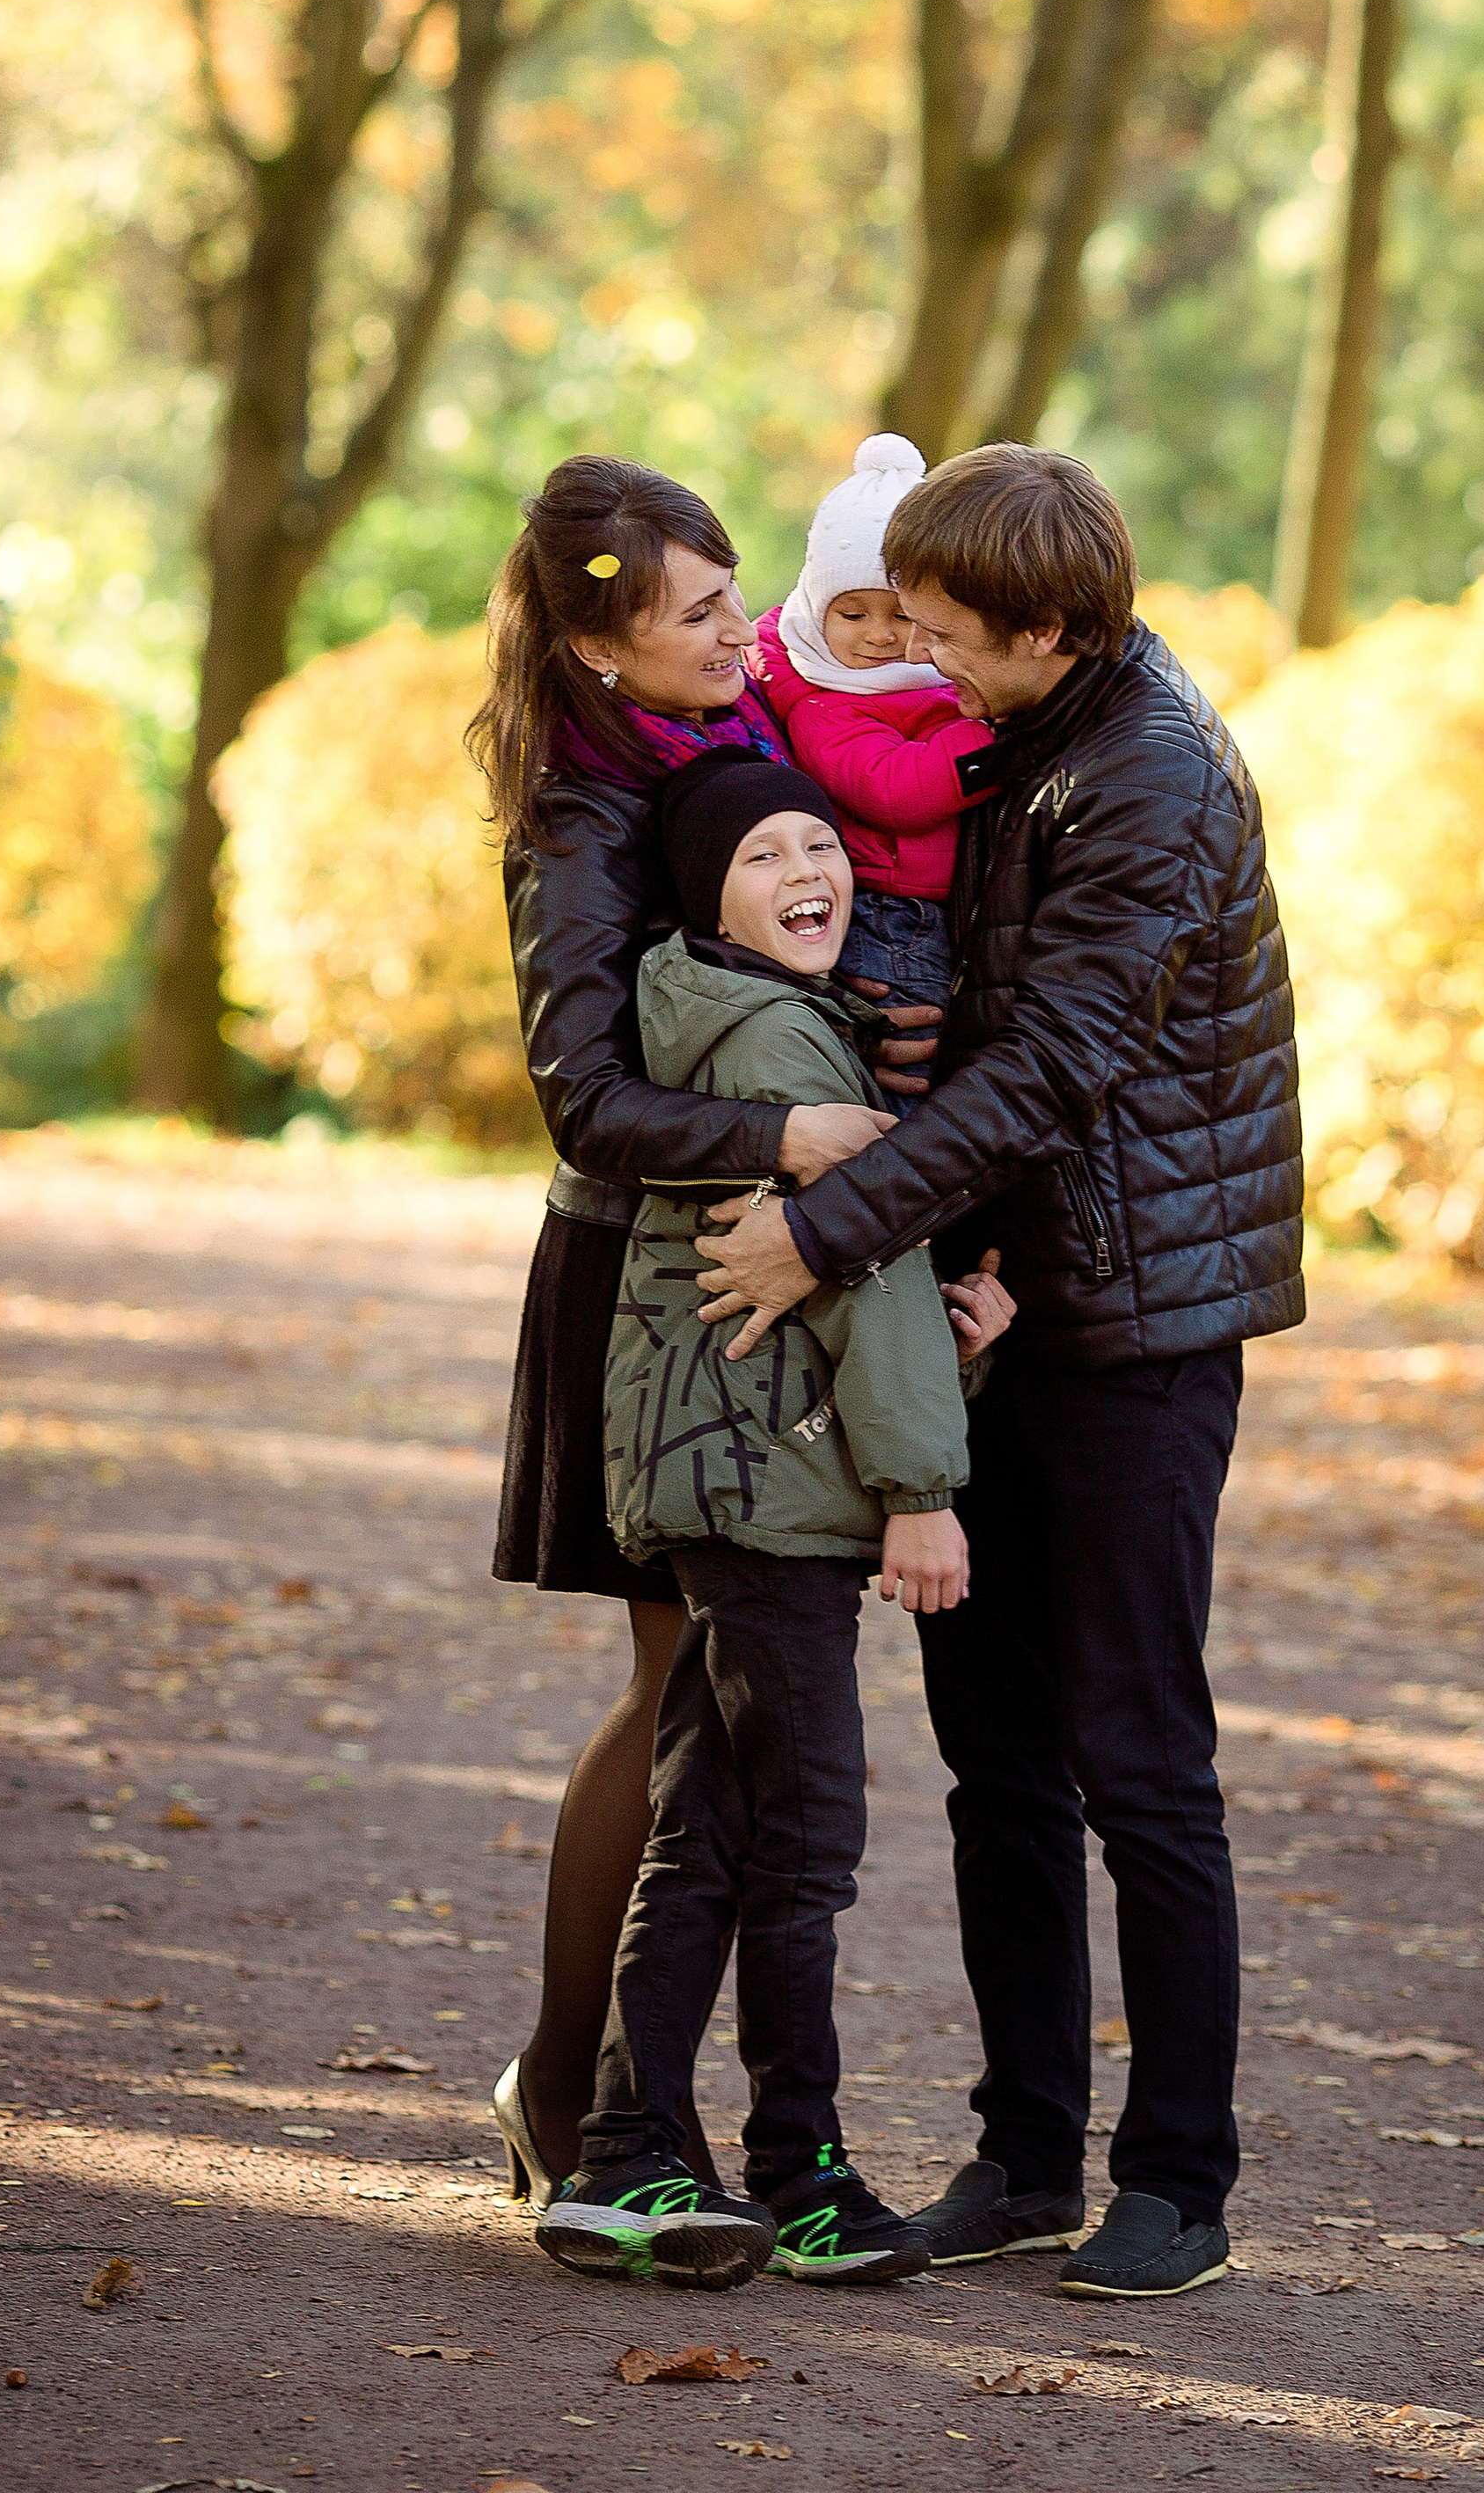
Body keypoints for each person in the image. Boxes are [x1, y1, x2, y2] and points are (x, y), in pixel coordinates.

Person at [692, 444, 1305, 2305]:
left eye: (950, 637)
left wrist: (826, 1228)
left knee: (1139, 1758)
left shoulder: (1151, 778)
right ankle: (1027, 2151)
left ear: (1044, 626)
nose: (925, 668)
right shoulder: (1036, 722)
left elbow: (1055, 1068)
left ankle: (1176, 2183)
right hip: (1003, 1296)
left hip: (1131, 1320)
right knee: (997, 1767)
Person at [465, 457, 917, 2207]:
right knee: (675, 1695)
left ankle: (602, 2096)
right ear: (602, 646)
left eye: (740, 593)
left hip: (740, 1262)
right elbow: (584, 1098)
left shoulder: (692, 759)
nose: (747, 631)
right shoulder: (578, 822)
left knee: (694, 1700)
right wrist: (784, 1142)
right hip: (639, 1280)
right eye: (703, 611)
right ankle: (583, 2102)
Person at [534, 749, 1012, 2291]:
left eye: (824, 842)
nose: (812, 868)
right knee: (801, 1838)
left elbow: (851, 1288)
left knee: (719, 1828)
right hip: (775, 1492)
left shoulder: (728, 1018)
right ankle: (797, 2168)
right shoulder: (781, 1043)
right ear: (707, 898)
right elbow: (857, 1277)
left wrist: (963, 1341)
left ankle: (625, 2151)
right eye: (764, 856)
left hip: (728, 1477)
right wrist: (922, 1494)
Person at [752, 432, 993, 1039]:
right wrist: (995, 741)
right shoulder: (821, 699)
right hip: (890, 914)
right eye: (853, 614)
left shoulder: (930, 674)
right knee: (913, 1045)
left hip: (949, 900)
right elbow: (895, 790)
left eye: (902, 613)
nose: (881, 636)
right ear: (816, 608)